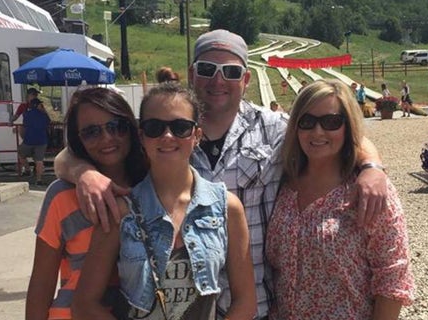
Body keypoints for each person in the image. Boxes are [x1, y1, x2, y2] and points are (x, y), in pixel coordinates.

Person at [54, 28, 388, 319]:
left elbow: (328, 136)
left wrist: (371, 167)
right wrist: (83, 171)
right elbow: (71, 154)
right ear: (192, 73)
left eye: (230, 72)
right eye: (208, 69)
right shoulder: (163, 134)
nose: (218, 80)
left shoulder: (273, 129)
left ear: (245, 79)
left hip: (256, 307)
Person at [72, 83, 256, 319]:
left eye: (180, 127)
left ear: (197, 135)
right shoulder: (122, 212)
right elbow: (84, 304)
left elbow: (246, 301)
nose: (167, 136)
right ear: (141, 136)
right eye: (154, 127)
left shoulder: (227, 208)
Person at [266, 79, 414, 319]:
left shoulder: (367, 189)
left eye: (331, 122)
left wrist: (373, 166)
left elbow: (392, 277)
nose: (318, 132)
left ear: (348, 126)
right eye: (307, 122)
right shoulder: (281, 183)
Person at [26, 88, 148, 320]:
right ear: (78, 139)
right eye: (91, 132)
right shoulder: (61, 195)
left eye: (116, 126)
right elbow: (42, 282)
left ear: (131, 128)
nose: (106, 138)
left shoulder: (153, 186)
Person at [17, 93, 51, 185]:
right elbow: (49, 122)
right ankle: (39, 180)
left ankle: (28, 170)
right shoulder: (44, 115)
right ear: (38, 105)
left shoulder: (26, 114)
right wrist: (44, 111)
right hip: (42, 141)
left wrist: (24, 137)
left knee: (21, 154)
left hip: (29, 140)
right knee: (39, 161)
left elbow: (23, 127)